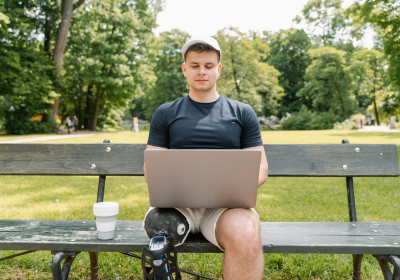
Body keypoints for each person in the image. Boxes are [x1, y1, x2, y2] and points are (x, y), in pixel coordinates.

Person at [143, 36, 268, 279]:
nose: (202, 72)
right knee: (159, 226)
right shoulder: (165, 113)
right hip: (176, 206)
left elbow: (261, 168)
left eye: (209, 66)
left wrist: (234, 185)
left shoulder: (242, 113)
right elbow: (152, 169)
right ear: (184, 69)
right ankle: (163, 267)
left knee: (246, 233)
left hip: (225, 207)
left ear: (218, 69)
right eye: (195, 65)